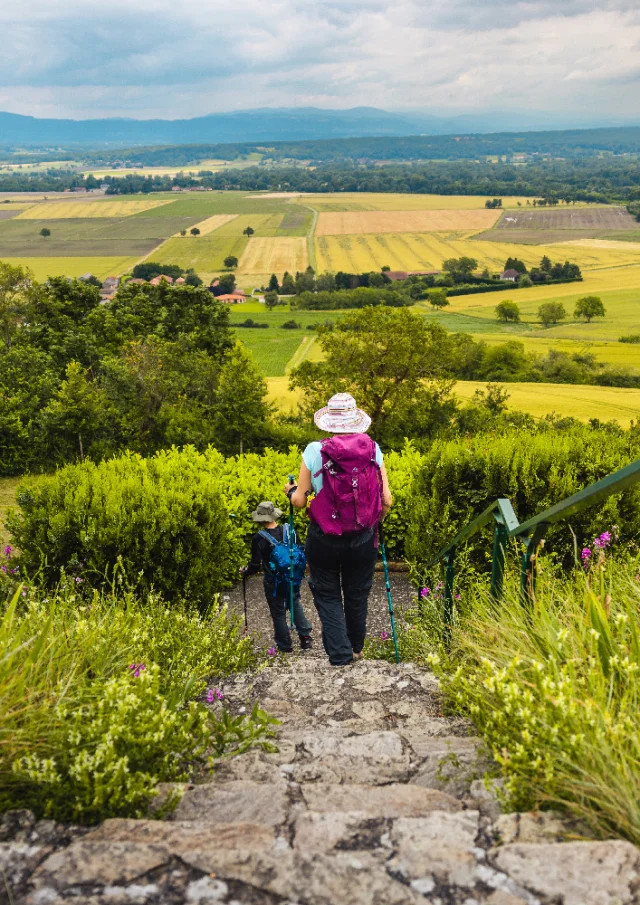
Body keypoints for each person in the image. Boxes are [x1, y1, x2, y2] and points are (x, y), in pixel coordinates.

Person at [284, 393, 392, 666]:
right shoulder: (373, 449)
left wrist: (292, 491)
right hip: (363, 535)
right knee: (357, 592)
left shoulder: (313, 450)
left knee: (327, 592)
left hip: (324, 537)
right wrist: (374, 522)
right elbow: (387, 499)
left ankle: (340, 654)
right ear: (356, 421)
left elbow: (299, 502)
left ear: (328, 422)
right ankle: (356, 648)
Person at [241, 501, 313, 653]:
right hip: (292, 576)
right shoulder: (290, 530)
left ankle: (285, 645)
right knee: (294, 603)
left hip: (273, 580)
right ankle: (305, 638)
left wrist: (246, 572)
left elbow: (255, 565)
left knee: (278, 612)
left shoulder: (259, 538)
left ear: (261, 519)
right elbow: (301, 550)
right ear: (274, 515)